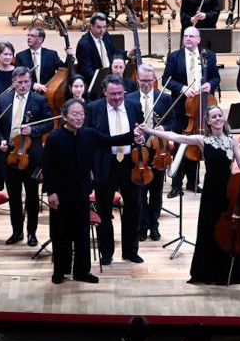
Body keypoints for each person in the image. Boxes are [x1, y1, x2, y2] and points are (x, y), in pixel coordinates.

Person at [139, 105, 240, 285]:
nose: (217, 119)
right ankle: (208, 271)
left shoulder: (233, 141)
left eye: (219, 116)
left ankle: (230, 271)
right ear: (207, 121)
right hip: (210, 191)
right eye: (213, 117)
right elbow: (176, 137)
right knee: (209, 229)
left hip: (228, 191)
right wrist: (151, 130)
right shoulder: (202, 140)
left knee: (229, 229)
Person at [43, 98, 138, 284]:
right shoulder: (54, 137)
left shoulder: (89, 135)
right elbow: (49, 167)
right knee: (61, 234)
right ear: (64, 116)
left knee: (82, 235)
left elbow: (113, 140)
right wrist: (50, 192)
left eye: (82, 114)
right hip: (61, 195)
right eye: (74, 114)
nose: (79, 117)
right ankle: (60, 272)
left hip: (81, 193)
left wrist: (134, 134)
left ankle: (81, 272)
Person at [87, 75, 145, 264]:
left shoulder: (134, 105)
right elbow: (91, 140)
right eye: (113, 94)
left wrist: (141, 139)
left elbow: (142, 129)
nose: (117, 98)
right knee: (104, 211)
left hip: (131, 164)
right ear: (104, 92)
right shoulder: (93, 108)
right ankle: (106, 252)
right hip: (106, 164)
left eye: (120, 93)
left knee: (133, 208)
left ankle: (130, 251)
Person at [0, 66, 53, 247]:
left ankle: (32, 233)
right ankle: (17, 231)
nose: (23, 85)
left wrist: (33, 130)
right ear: (13, 82)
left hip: (31, 155)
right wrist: (2, 140)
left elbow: (49, 123)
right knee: (13, 196)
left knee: (32, 196)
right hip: (10, 155)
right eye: (19, 82)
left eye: (26, 82)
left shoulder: (39, 100)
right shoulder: (4, 100)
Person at [163, 26, 220, 198]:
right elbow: (167, 79)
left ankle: (193, 183)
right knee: (181, 144)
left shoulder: (208, 55)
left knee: (197, 144)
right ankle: (176, 185)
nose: (188, 39)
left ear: (198, 39)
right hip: (182, 107)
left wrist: (210, 85)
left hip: (201, 107)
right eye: (185, 36)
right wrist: (181, 88)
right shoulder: (174, 56)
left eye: (192, 36)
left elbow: (215, 77)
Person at [126, 63, 174, 242]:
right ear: (137, 80)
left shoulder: (164, 98)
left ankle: (154, 225)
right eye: (142, 81)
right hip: (138, 152)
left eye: (149, 81)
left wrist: (163, 127)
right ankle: (142, 226)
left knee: (156, 192)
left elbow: (172, 123)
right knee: (140, 192)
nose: (146, 84)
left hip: (158, 151)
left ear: (154, 80)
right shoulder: (129, 99)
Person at [16, 26, 65, 92]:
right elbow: (17, 76)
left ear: (41, 39)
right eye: (28, 35)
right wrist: (32, 85)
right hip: (29, 92)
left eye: (32, 36)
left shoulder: (51, 54)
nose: (29, 38)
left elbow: (63, 67)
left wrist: (69, 56)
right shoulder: (20, 56)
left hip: (48, 92)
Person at [75, 12, 116, 90]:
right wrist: (107, 81)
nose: (102, 30)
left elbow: (114, 51)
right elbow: (87, 72)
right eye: (99, 27)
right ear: (91, 26)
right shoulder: (83, 45)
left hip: (110, 79)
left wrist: (128, 54)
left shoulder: (105, 35)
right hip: (95, 86)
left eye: (104, 27)